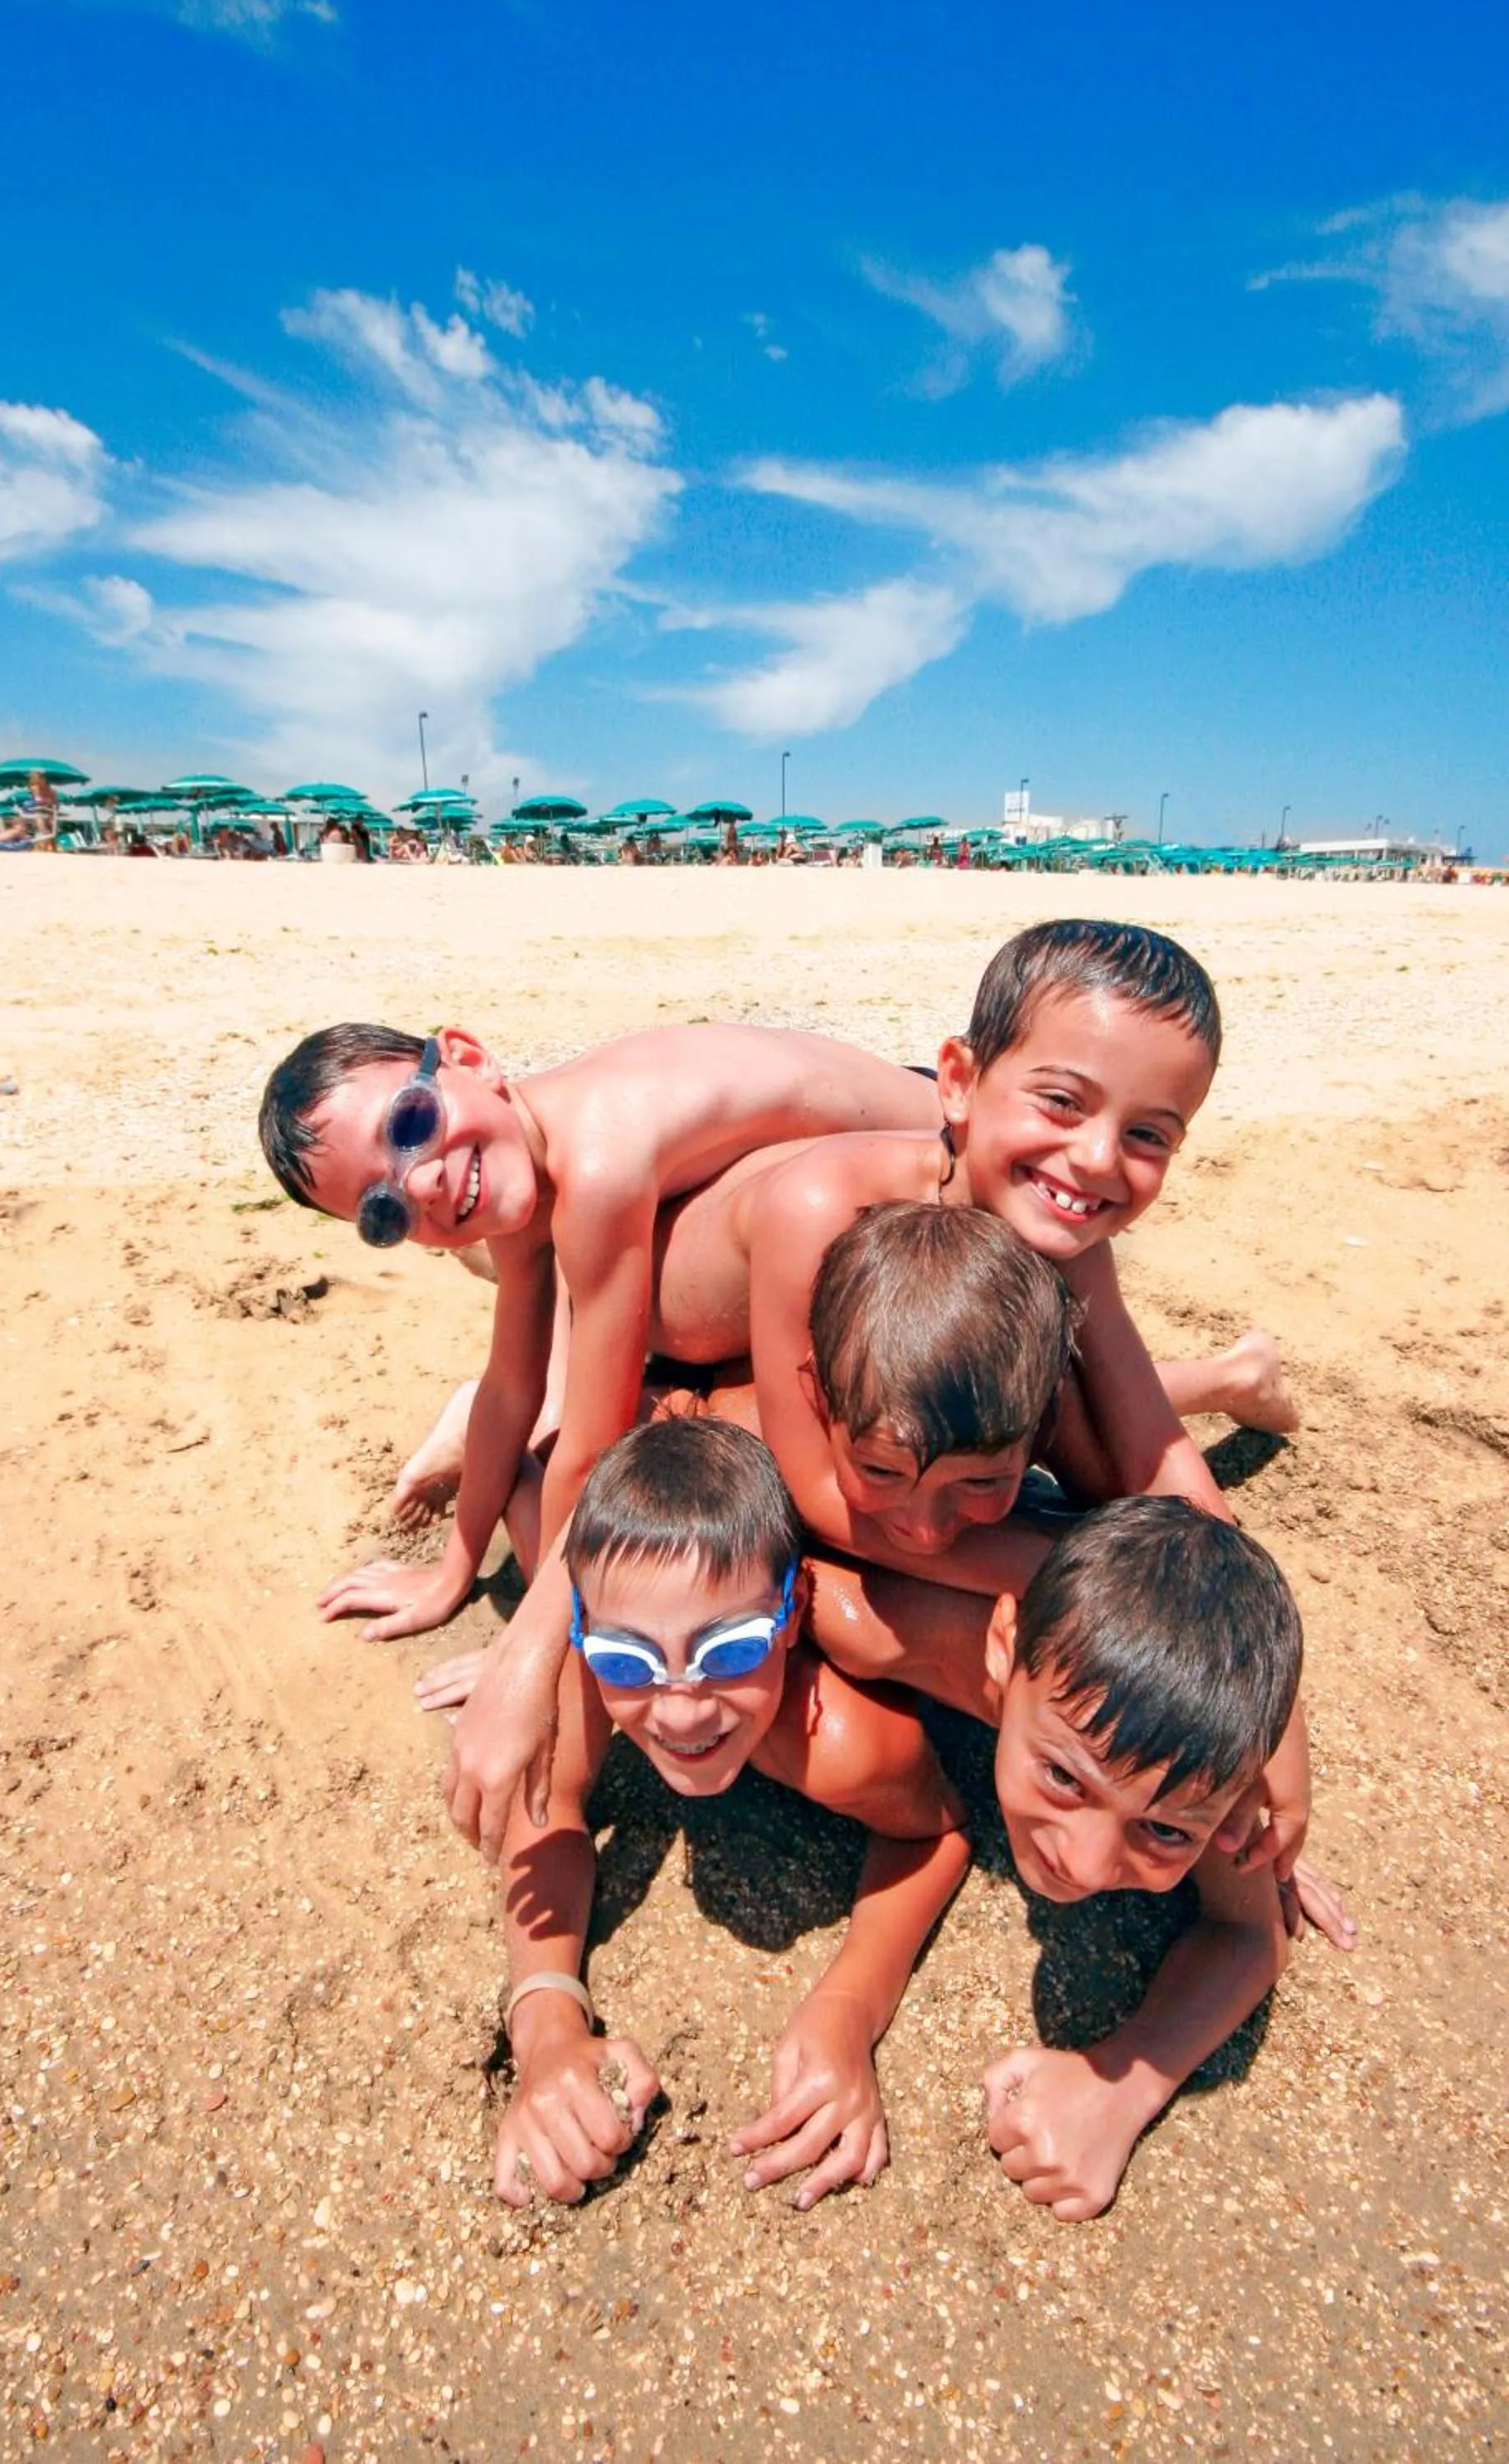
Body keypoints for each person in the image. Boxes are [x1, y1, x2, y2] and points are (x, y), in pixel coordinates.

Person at [441, 922, 1311, 1861]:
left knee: (1095, 1453)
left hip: (870, 1390)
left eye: (1146, 1135)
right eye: (1062, 1103)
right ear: (959, 1084)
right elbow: (810, 1489)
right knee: (876, 1540)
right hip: (676, 1353)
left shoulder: (1061, 1220)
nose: (1097, 1159)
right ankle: (1220, 1378)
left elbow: (1150, 1454)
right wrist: (528, 1655)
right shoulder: (819, 1210)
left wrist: (1269, 1710)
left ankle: (1224, 1378)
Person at [257, 1022, 942, 1642]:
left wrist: (536, 1645)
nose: (425, 1180)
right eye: (385, 1209)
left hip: (940, 1147)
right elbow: (508, 1383)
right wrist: (450, 1572)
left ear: (468, 1058)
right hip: (858, 1145)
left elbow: (590, 1453)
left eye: (409, 1125)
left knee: (652, 1302)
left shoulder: (598, 1160)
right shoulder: (529, 1149)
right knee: (568, 1284)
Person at [803, 1495, 1341, 2220]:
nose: (1085, 1867)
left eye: (1164, 1831)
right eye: (1062, 1777)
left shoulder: (1203, 1771)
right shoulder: (875, 1628)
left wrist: (1121, 2082)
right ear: (1005, 1648)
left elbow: (1250, 1932)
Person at [493, 1416, 970, 2210]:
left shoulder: (838, 1743)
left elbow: (935, 1831)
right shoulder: (589, 1662)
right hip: (651, 1422)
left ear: (790, 1615)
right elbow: (544, 1808)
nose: (681, 1712)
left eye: (733, 1649)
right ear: (585, 1635)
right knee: (525, 1494)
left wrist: (848, 2009)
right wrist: (546, 2026)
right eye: (626, 1658)